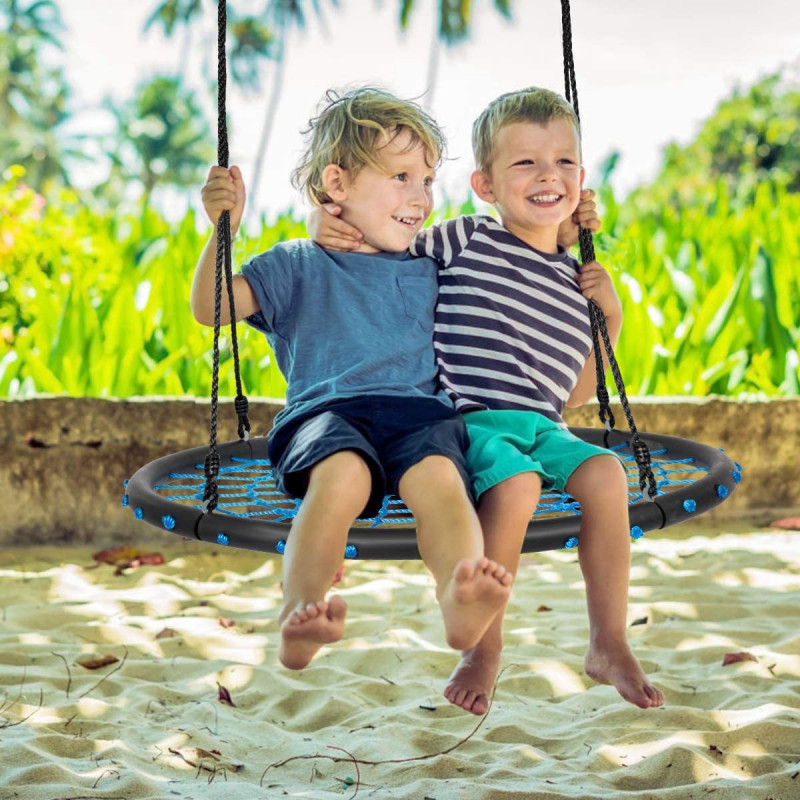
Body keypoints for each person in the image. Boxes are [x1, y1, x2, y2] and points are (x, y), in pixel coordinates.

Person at [309, 87, 665, 712]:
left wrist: (610, 316)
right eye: (524, 163)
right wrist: (326, 224)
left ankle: (608, 641)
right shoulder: (466, 239)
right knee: (520, 486)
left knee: (607, 472)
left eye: (563, 162)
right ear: (485, 184)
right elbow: (381, 245)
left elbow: (577, 392)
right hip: (470, 420)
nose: (547, 175)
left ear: (582, 181)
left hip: (543, 423)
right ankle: (485, 648)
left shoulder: (576, 277)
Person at [190, 87, 513, 672]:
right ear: (337, 185)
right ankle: (300, 614)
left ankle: (458, 596)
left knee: (443, 478)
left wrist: (571, 230)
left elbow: (514, 248)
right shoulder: (297, 262)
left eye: (427, 181)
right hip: (327, 416)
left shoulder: (431, 263)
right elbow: (212, 307)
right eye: (401, 177)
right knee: (339, 477)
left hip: (419, 415)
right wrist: (223, 227)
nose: (420, 198)